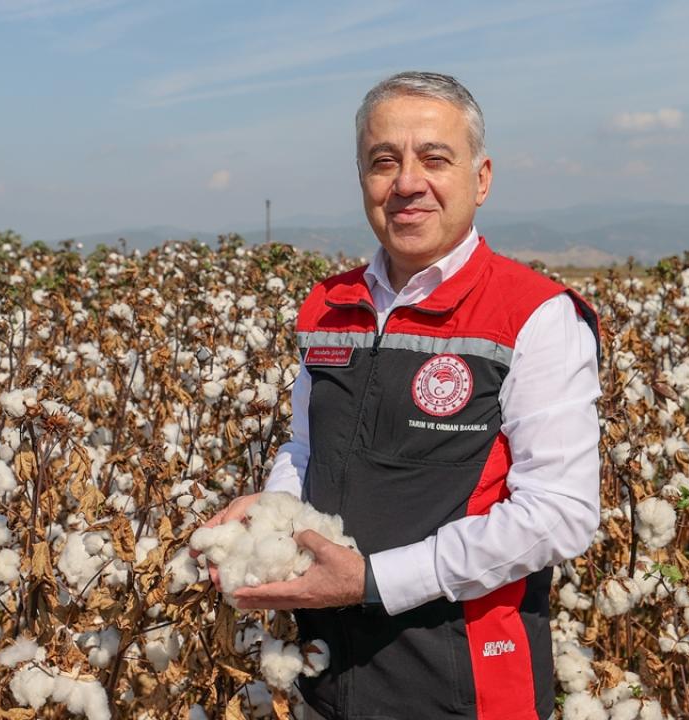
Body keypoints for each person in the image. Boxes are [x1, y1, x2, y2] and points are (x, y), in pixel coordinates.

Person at [197, 72, 602, 719]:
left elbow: (561, 512)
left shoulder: (534, 316)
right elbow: (307, 449)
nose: (407, 181)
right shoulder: (328, 307)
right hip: (330, 676)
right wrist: (270, 512)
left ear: (482, 176)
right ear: (363, 178)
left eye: (434, 158)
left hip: (463, 687)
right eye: (383, 161)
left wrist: (372, 583)